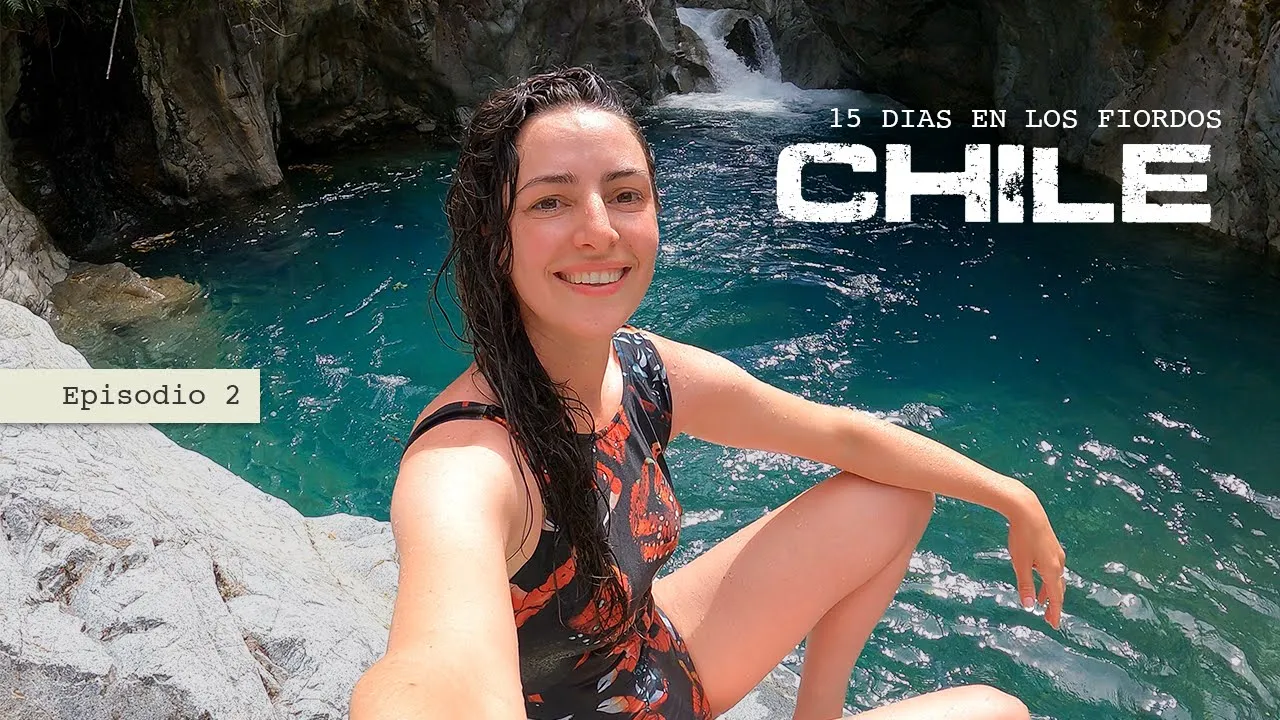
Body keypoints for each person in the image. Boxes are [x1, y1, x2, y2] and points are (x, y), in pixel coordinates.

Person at [349, 67, 1066, 720]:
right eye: (551, 202)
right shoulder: (464, 465)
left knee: (897, 494)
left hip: (655, 659)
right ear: (493, 236)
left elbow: (840, 435)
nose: (599, 231)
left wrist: (1011, 495)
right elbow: (432, 671)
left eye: (625, 195)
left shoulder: (641, 368)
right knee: (995, 712)